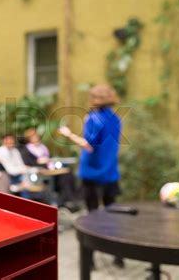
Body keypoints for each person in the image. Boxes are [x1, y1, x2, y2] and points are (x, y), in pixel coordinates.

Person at [59, 84, 123, 268]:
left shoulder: (93, 119)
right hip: (111, 173)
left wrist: (68, 134)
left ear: (94, 99)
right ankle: (119, 257)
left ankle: (90, 261)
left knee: (92, 216)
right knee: (113, 214)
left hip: (92, 174)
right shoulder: (116, 119)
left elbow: (89, 145)